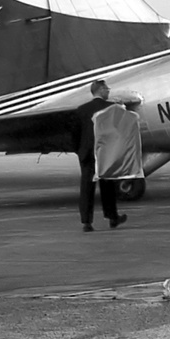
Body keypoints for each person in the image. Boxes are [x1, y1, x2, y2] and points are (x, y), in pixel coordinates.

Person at [92, 92, 144, 230]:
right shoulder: (121, 120)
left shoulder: (100, 119)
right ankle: (112, 217)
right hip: (111, 158)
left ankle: (97, 219)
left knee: (102, 187)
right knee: (108, 187)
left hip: (102, 158)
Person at [73, 80, 114, 232]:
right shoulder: (111, 108)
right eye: (107, 89)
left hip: (87, 153)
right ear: (101, 90)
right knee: (108, 186)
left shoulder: (81, 110)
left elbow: (75, 134)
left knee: (86, 188)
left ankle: (86, 222)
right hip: (105, 153)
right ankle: (112, 217)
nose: (108, 91)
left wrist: (79, 151)